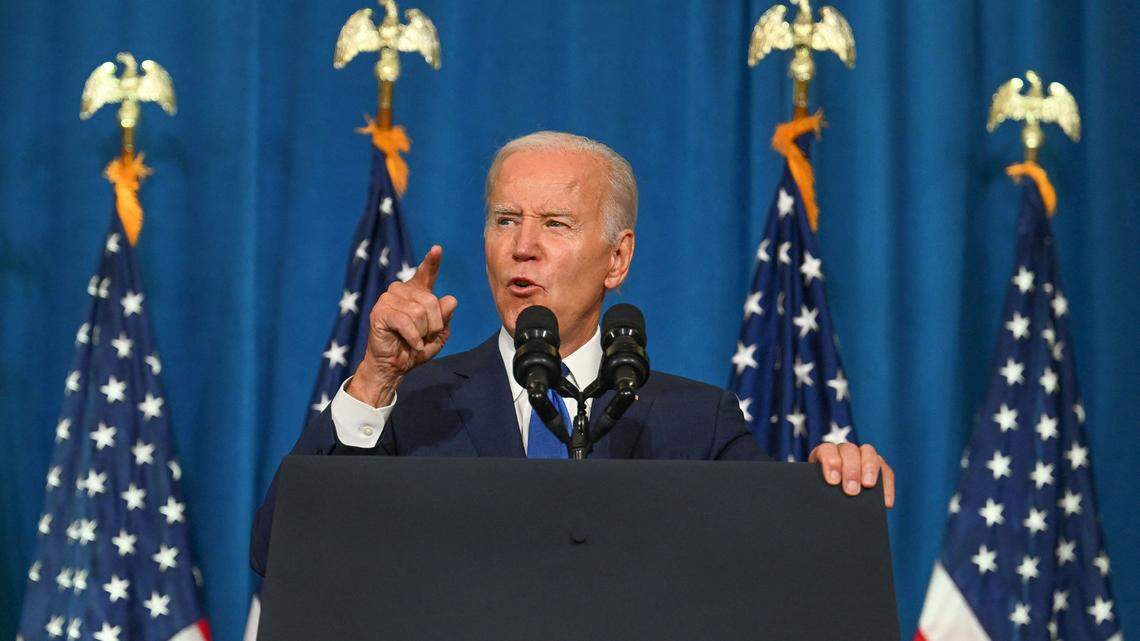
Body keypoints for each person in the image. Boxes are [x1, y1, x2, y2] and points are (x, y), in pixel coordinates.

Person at [251, 131, 895, 576]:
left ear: (618, 258)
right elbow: (282, 548)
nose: (522, 247)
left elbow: (776, 561)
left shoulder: (696, 424)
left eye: (554, 224)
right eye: (506, 220)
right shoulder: (415, 404)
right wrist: (374, 379)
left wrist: (829, 485)